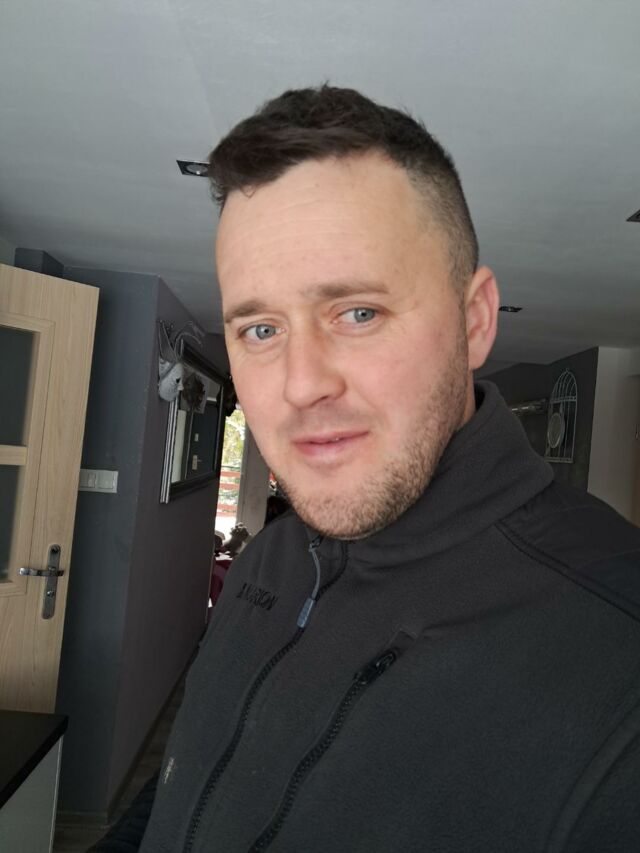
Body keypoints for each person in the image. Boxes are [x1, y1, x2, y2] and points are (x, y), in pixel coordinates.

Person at [95, 85, 640, 852]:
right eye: (260, 328)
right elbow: (190, 778)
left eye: (357, 312)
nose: (300, 384)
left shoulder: (615, 661)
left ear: (475, 320)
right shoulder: (273, 555)